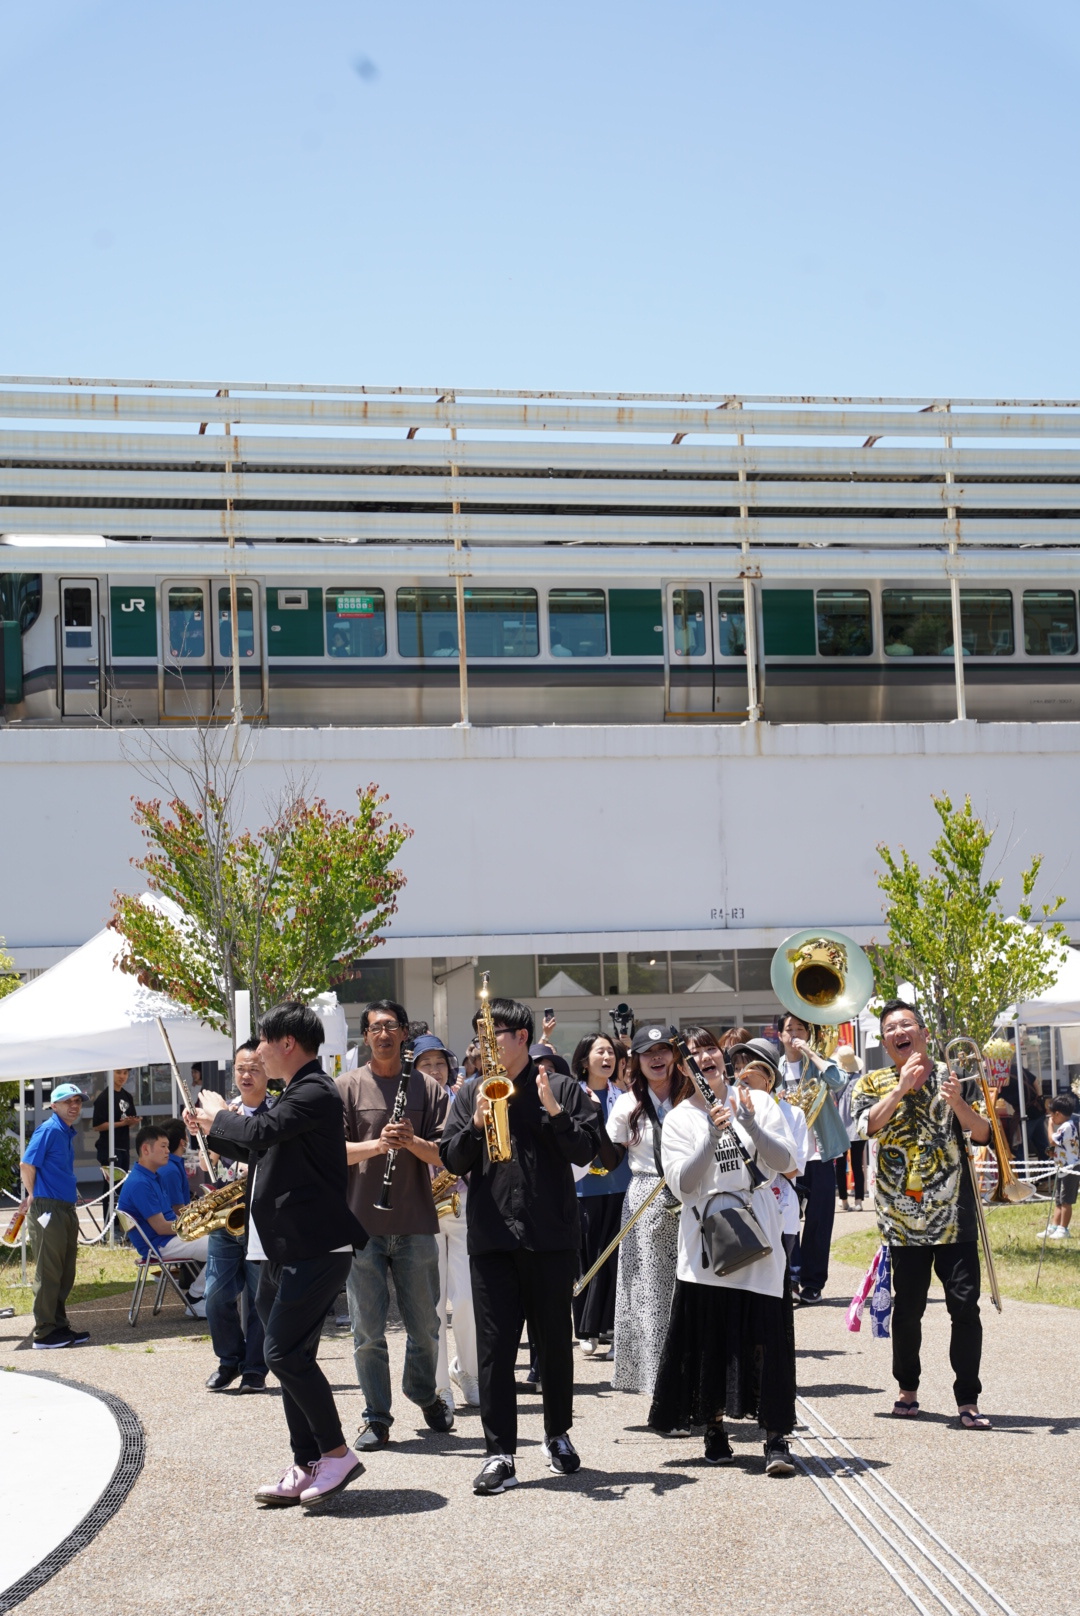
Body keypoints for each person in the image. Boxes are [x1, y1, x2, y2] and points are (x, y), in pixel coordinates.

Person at [189, 1001, 368, 1507]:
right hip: (286, 1249)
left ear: (287, 1043)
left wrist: (221, 1116)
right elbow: (262, 1147)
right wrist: (213, 1126)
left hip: (315, 1248)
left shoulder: (313, 1090)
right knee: (294, 1357)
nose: (257, 1052)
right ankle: (307, 1462)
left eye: (263, 1042)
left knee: (281, 1353)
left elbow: (263, 1132)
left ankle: (336, 1453)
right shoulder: (299, 1093)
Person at [440, 995, 601, 1496]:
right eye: (481, 1038)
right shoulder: (470, 1093)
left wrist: (554, 1112)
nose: (485, 1046)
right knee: (495, 1349)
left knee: (554, 1343)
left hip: (550, 1235)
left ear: (522, 1039)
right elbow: (451, 1157)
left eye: (495, 1037)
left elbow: (589, 1150)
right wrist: (477, 1123)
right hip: (491, 1237)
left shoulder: (562, 1087)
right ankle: (499, 1453)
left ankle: (557, 1435)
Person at [648, 1047, 799, 1475]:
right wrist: (711, 1138)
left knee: (766, 1338)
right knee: (707, 1338)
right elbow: (682, 1185)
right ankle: (713, 1428)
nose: (703, 1059)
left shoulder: (760, 1101)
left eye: (709, 1049)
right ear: (684, 1068)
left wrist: (749, 1123)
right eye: (692, 1054)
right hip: (705, 1239)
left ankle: (775, 1436)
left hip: (759, 1232)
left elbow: (786, 1162)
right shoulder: (678, 1118)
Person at [851, 999, 992, 1430]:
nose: (899, 1032)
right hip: (902, 1220)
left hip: (955, 1216)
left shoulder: (954, 1076)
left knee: (965, 1308)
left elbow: (984, 1133)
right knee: (907, 1309)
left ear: (923, 1034)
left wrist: (959, 1103)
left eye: (906, 1025)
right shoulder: (872, 1082)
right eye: (890, 1028)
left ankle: (967, 1398)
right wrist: (899, 1088)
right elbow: (865, 1127)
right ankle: (906, 1389)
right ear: (885, 1041)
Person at [337, 1000, 452, 1452]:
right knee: (367, 1331)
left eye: (391, 1026)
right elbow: (334, 1152)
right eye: (374, 1028)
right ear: (365, 1037)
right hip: (361, 1224)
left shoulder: (428, 1088)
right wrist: (377, 1144)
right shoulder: (346, 1088)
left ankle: (423, 1393)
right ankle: (376, 1417)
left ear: (404, 1033)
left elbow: (446, 1152)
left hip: (416, 1221)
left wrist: (414, 1141)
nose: (383, 1034)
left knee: (425, 1327)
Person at [605, 1026, 693, 1400]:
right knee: (651, 1292)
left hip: (691, 1193)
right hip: (646, 1195)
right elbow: (607, 1157)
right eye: (646, 1052)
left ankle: (696, 1378)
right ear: (636, 1061)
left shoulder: (692, 1096)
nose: (656, 1058)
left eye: (663, 1050)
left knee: (692, 1289)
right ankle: (660, 1386)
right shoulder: (627, 1104)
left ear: (675, 1054)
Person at [412, 1033, 479, 1408]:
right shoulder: (408, 1105)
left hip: (464, 1206)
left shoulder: (463, 1100)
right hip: (423, 1209)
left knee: (469, 1299)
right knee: (431, 1304)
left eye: (440, 1063)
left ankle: (467, 1370)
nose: (435, 1070)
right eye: (426, 1064)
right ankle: (438, 1387)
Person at [203, 1038, 274, 1393]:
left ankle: (255, 1369)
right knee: (215, 1293)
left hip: (263, 1216)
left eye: (253, 1069)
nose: (246, 1075)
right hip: (226, 1214)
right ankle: (229, 1359)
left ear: (267, 1072)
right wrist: (203, 1137)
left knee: (262, 1296)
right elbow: (207, 1164)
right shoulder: (223, 1111)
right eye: (240, 1069)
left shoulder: (277, 1112)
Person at [722, 1033, 809, 1276]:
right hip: (740, 1210)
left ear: (769, 1077)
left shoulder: (793, 1115)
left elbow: (792, 1169)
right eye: (738, 1068)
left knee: (778, 1280)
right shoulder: (726, 1109)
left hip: (779, 1207)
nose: (742, 1075)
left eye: (752, 1068)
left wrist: (758, 1135)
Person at [777, 1012, 847, 1303]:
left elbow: (839, 1080)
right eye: (788, 1029)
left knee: (819, 1221)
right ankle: (790, 1277)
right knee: (786, 1218)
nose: (794, 1033)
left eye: (800, 1029)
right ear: (779, 1035)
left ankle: (813, 1282)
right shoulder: (774, 1067)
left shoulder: (816, 1065)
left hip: (818, 1154)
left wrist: (811, 1053)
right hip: (786, 1157)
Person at [571, 1032, 632, 1358]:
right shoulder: (571, 1094)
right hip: (582, 1188)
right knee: (586, 1257)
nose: (607, 1058)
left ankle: (608, 1325)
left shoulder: (623, 1095)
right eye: (600, 1052)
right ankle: (585, 1326)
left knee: (613, 1260)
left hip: (620, 1184)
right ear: (584, 1060)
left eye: (611, 1052)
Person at [20, 1083, 91, 1349]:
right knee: (49, 1272)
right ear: (54, 1105)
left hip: (62, 1208)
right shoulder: (49, 1129)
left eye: (78, 1101)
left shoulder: (64, 1132)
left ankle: (59, 1326)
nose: (74, 1106)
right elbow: (27, 1163)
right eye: (67, 1101)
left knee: (64, 1272)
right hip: (49, 1209)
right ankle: (44, 1332)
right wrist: (33, 1196)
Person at [117, 1126, 211, 1304]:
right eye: (163, 1146)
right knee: (222, 1247)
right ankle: (196, 1297)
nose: (168, 1151)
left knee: (223, 1241)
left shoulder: (150, 1176)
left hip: (165, 1241)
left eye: (168, 1146)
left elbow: (169, 1219)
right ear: (146, 1149)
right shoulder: (140, 1183)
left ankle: (203, 1295)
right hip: (159, 1245)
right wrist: (198, 1226)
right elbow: (160, 1227)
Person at [1041, 1092, 1079, 1240]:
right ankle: (1054, 1226)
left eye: (1052, 1116)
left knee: (1066, 1201)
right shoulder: (1068, 1125)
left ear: (1057, 1113)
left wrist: (1049, 1125)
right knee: (1058, 1199)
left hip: (1071, 1167)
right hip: (1063, 1166)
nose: (1052, 1119)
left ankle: (1064, 1229)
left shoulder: (1067, 1126)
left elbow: (1052, 1140)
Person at [833, 1045, 866, 1211]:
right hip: (859, 1126)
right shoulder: (862, 1079)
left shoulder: (836, 1080)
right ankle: (859, 1200)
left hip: (840, 1126)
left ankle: (844, 1199)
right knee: (857, 1165)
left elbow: (833, 1102)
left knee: (840, 1164)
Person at [91, 1068, 140, 1170]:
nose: (122, 1076)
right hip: (108, 1148)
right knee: (113, 1184)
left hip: (124, 1147)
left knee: (122, 1183)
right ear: (110, 1074)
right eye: (118, 1072)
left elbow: (130, 1121)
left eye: (125, 1073)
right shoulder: (104, 1097)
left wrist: (132, 1122)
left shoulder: (127, 1096)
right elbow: (97, 1126)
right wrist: (121, 1124)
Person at [159, 1118, 192, 1213]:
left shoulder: (169, 1165)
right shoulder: (170, 1170)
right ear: (182, 1142)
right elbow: (178, 1210)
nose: (187, 1138)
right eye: (186, 1134)